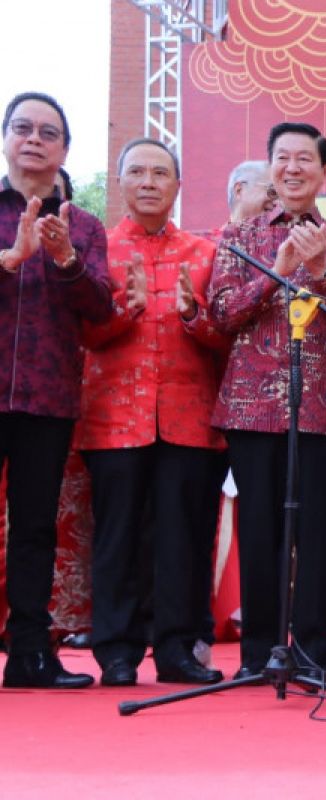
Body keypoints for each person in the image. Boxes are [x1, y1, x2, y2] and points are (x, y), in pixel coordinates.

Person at [208, 122, 326, 679]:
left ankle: (315, 651)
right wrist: (277, 273)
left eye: (306, 159)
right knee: (260, 533)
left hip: (325, 410)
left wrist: (321, 271)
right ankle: (260, 654)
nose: (294, 167)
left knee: (321, 534)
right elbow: (223, 314)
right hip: (252, 409)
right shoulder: (241, 236)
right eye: (283, 158)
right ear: (272, 167)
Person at [78, 138, 228, 687]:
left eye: (160, 172)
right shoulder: (98, 250)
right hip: (115, 415)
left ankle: (176, 649)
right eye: (136, 171)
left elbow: (223, 338)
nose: (148, 181)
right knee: (117, 536)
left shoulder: (205, 252)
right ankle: (116, 652)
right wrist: (125, 311)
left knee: (181, 538)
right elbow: (85, 335)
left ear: (177, 185)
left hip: (189, 416)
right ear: (119, 183)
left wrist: (194, 316)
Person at [1, 91, 113, 688]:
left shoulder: (84, 225)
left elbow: (100, 310)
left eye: (49, 132)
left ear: (64, 149)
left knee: (35, 528)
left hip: (47, 397)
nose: (35, 139)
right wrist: (10, 259)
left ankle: (29, 655)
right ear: (6, 137)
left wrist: (65, 259)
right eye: (23, 127)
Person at [226, 160, 276, 224]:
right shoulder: (216, 234)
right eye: (273, 191)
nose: (279, 202)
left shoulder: (288, 232)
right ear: (239, 190)